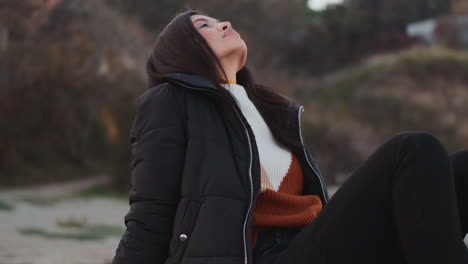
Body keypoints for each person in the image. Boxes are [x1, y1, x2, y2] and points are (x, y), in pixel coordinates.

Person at [111, 9, 468, 264]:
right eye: (205, 25)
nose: (224, 23)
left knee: (461, 169)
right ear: (182, 49)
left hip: (309, 243)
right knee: (413, 150)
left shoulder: (269, 109)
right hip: (260, 256)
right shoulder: (169, 101)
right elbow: (150, 214)